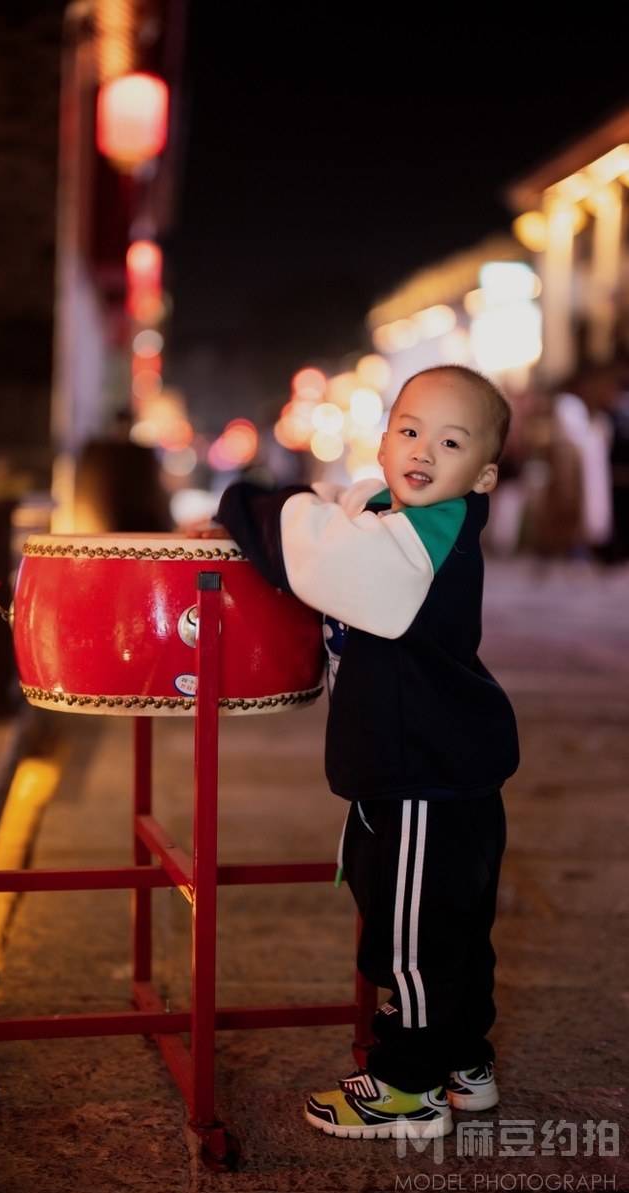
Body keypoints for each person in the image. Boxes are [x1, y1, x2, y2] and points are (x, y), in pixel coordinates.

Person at [217, 364, 519, 1141]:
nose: (423, 449)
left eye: (450, 442)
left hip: (424, 775)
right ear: (382, 443)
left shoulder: (424, 539)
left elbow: (315, 547)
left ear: (480, 474)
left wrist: (243, 505)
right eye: (409, 430)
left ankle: (406, 1084)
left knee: (410, 939)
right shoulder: (392, 512)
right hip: (432, 768)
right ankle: (464, 1065)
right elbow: (347, 512)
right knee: (448, 929)